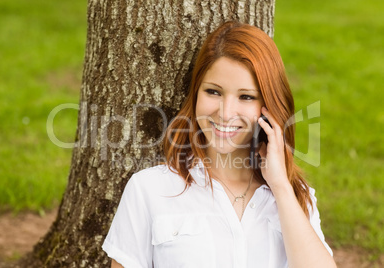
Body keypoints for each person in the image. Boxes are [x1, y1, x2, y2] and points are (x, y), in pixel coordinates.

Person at [102, 21, 336, 268]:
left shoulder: (294, 195)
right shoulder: (149, 189)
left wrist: (280, 185)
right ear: (196, 94)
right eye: (213, 92)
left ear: (269, 107)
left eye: (246, 97)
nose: (225, 113)